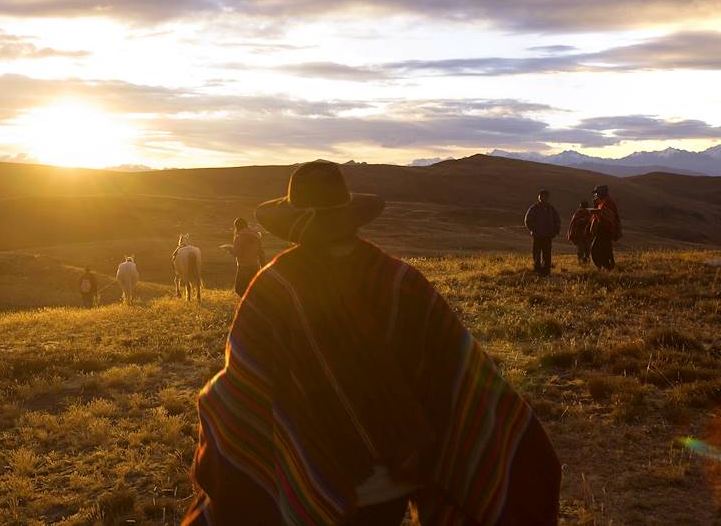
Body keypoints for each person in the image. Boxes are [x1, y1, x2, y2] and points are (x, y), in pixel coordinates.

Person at [183, 160, 560, 526]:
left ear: (294, 223)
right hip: (390, 484)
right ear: (349, 216)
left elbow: (239, 393)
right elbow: (459, 375)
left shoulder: (272, 288)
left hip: (308, 484)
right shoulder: (400, 281)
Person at [224, 217, 266, 297]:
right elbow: (261, 252)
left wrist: (229, 249)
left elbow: (238, 253)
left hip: (243, 267)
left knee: (239, 289)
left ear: (237, 227)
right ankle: (253, 302)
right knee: (254, 288)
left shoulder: (239, 236)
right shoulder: (256, 235)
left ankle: (248, 302)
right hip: (255, 266)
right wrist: (263, 265)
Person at [524, 189, 561, 276]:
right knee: (536, 253)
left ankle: (546, 271)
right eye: (541, 196)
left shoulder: (551, 209)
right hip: (538, 236)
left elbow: (557, 220)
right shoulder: (534, 208)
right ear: (539, 197)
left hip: (548, 236)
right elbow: (527, 220)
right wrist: (534, 230)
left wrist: (555, 231)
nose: (542, 198)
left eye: (544, 196)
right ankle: (537, 269)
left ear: (547, 197)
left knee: (547, 254)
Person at [589, 184, 621, 270]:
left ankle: (604, 267)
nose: (595, 195)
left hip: (605, 230)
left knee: (596, 249)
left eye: (596, 193)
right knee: (605, 249)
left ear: (601, 193)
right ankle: (609, 266)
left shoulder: (606, 201)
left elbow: (604, 215)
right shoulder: (603, 201)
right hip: (604, 229)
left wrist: (593, 210)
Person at [567, 200, 592, 265]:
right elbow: (575, 223)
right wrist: (584, 220)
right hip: (579, 235)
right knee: (581, 250)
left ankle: (586, 264)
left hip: (587, 236)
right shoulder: (578, 213)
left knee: (587, 251)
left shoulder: (589, 213)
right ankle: (580, 263)